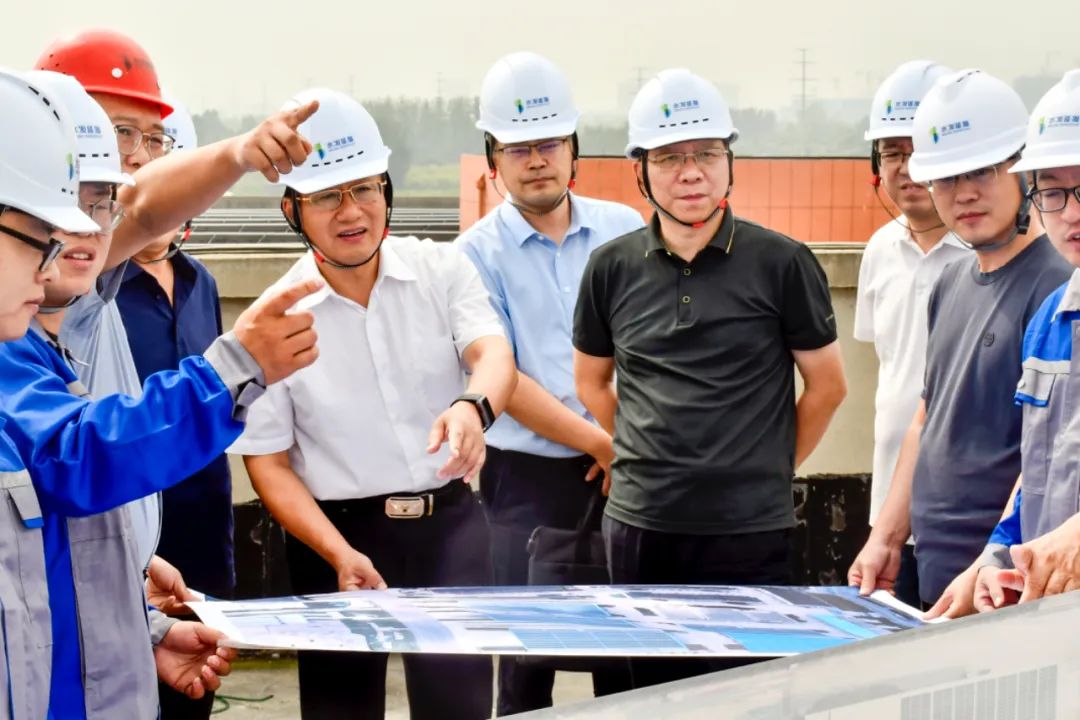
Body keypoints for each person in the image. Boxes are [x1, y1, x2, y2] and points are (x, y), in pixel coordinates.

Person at [0, 62, 322, 719]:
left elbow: (41, 567)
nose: (70, 247)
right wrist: (232, 369)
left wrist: (139, 619)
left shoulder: (34, 349)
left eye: (98, 209)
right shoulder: (16, 361)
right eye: (41, 238)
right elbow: (79, 456)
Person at [233, 88, 517, 719]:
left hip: (449, 530)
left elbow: (495, 356)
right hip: (335, 536)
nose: (351, 211)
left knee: (460, 709)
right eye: (326, 197)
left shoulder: (440, 269)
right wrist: (338, 553)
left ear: (386, 189)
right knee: (341, 711)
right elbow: (269, 464)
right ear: (291, 209)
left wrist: (472, 408)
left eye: (364, 188)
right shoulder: (276, 318)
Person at [573, 68, 847, 690]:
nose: (690, 172)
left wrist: (769, 468)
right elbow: (591, 382)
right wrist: (645, 452)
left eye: (706, 154)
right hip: (642, 527)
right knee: (645, 696)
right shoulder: (610, 268)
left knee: (746, 696)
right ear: (640, 171)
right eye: (670, 158)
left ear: (730, 162)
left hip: (751, 532)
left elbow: (828, 387)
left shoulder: (782, 262)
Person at [454, 51, 642, 715]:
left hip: (626, 469)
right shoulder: (474, 254)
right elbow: (504, 376)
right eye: (518, 148)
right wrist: (600, 444)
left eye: (550, 143)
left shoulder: (624, 231)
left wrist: (622, 445)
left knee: (628, 657)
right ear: (493, 158)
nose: (537, 160)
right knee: (524, 662)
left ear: (573, 149)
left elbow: (647, 353)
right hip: (526, 482)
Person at [848, 69, 1072, 618]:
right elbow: (926, 419)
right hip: (943, 567)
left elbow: (1043, 455)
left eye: (982, 171)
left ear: (1021, 171)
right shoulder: (951, 280)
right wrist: (886, 537)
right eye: (945, 177)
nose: (964, 193)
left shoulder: (1055, 285)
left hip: (1010, 585)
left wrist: (996, 560)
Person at [854, 60, 969, 608]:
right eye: (892, 152)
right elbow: (889, 367)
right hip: (889, 515)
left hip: (966, 519)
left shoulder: (986, 254)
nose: (908, 166)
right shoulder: (880, 249)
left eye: (921, 148)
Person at [972, 69, 1080, 612]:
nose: (1073, 213)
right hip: (1049, 620)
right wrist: (996, 556)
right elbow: (1038, 471)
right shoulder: (1049, 320)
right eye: (1053, 192)